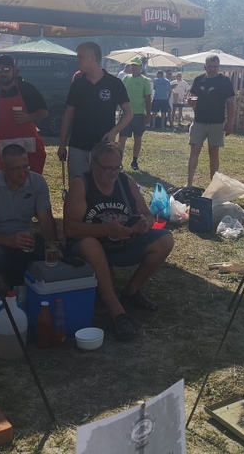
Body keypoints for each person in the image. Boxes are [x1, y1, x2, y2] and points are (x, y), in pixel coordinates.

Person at [63, 142, 173, 342]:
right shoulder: (82, 184)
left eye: (117, 167)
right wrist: (106, 229)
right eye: (108, 168)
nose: (113, 173)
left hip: (123, 242)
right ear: (93, 165)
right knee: (90, 244)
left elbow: (147, 214)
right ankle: (117, 313)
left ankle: (131, 291)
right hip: (92, 248)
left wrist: (144, 224)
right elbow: (70, 229)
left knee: (165, 240)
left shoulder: (126, 181)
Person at [0, 144, 60, 299]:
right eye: (16, 169)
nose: (22, 173)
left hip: (23, 237)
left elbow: (46, 220)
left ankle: (30, 289)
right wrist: (8, 240)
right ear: (3, 168)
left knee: (43, 250)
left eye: (26, 167)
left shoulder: (37, 182)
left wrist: (52, 248)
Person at [58, 41, 133, 179]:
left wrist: (113, 132)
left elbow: (129, 113)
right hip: (78, 145)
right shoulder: (78, 84)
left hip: (103, 147)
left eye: (81, 57)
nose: (77, 61)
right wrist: (62, 144)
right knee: (78, 184)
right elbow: (68, 115)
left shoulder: (114, 83)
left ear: (92, 58)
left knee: (101, 185)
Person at [0, 54, 48, 174]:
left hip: (28, 144)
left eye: (6, 69)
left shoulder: (27, 89)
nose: (3, 73)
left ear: (14, 70)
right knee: (3, 178)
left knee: (31, 177)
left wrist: (28, 117)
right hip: (3, 143)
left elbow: (44, 112)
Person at [187, 54, 236, 187]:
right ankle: (189, 183)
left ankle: (213, 184)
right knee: (194, 151)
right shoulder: (198, 80)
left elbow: (230, 103)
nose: (212, 69)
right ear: (205, 66)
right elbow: (192, 97)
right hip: (199, 121)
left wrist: (230, 122)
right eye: (210, 67)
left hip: (217, 122)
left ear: (219, 67)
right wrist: (190, 101)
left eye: (215, 67)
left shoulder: (224, 81)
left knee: (213, 153)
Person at [119, 57, 151, 171]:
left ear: (140, 67)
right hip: (126, 113)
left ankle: (135, 160)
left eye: (136, 66)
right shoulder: (126, 78)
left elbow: (148, 98)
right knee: (122, 138)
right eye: (132, 66)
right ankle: (119, 161)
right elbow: (121, 94)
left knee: (137, 137)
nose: (133, 68)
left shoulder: (145, 81)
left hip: (138, 114)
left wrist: (148, 115)